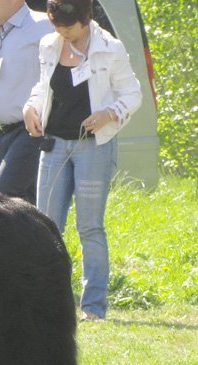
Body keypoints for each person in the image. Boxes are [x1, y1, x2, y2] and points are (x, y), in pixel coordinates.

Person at [23, 0, 141, 322]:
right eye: (56, 25)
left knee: (89, 227)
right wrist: (30, 108)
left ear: (86, 19)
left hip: (93, 147)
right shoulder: (49, 44)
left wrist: (109, 113)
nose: (62, 32)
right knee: (46, 228)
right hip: (54, 145)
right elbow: (42, 87)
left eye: (68, 27)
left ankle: (93, 307)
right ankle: (47, 305)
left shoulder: (110, 48)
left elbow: (133, 93)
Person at [0, 0, 52, 204]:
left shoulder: (44, 26)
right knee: (25, 208)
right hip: (0, 136)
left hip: (31, 132)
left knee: (1, 197)